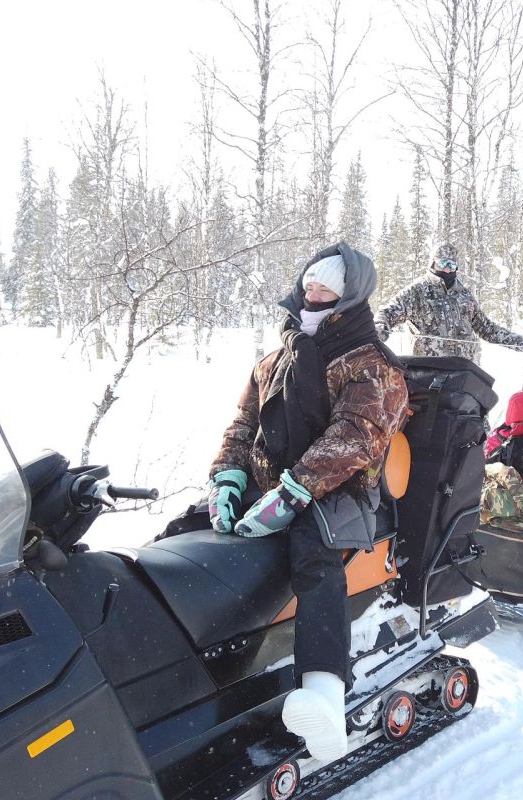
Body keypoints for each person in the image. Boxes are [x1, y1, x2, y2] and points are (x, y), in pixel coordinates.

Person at [206, 242, 409, 762]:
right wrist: (226, 475)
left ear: (350, 297)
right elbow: (244, 422)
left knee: (314, 556)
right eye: (310, 284)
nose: (312, 293)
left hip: (335, 493)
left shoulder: (371, 364)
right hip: (270, 483)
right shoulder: (277, 356)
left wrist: (296, 489)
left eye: (327, 288)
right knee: (192, 536)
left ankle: (323, 693)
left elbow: (357, 434)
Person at [375, 241, 523, 361]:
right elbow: (387, 312)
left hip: (464, 374)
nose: (447, 269)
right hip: (427, 373)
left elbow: (488, 329)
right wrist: (379, 329)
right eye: (443, 263)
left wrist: (520, 343)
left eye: (452, 265)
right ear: (433, 263)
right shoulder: (417, 291)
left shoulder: (464, 296)